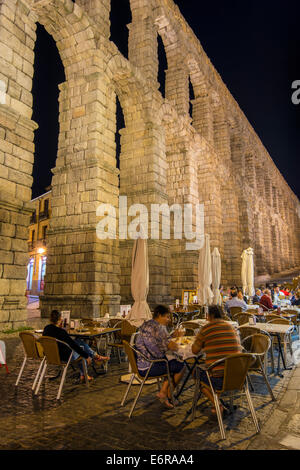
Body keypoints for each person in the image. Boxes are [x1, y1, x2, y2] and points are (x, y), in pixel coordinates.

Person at [191, 305, 242, 416]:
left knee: (196, 373)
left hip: (219, 379)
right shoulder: (230, 327)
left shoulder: (206, 329)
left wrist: (201, 342)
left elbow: (194, 350)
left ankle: (217, 404)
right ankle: (218, 402)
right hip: (237, 376)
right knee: (212, 368)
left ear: (210, 315)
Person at [135, 304, 185, 409]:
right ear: (159, 315)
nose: (168, 320)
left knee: (171, 360)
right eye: (166, 317)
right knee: (180, 366)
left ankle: (163, 391)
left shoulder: (147, 324)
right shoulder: (159, 328)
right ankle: (169, 395)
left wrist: (172, 336)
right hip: (150, 367)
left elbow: (160, 341)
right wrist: (178, 339)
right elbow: (172, 347)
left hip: (140, 363)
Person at [43, 310, 109, 382]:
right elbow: (73, 345)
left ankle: (95, 357)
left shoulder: (46, 329)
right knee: (81, 351)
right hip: (64, 356)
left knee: (78, 342)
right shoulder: (61, 332)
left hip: (50, 354)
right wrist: (86, 356)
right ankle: (85, 373)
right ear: (60, 319)